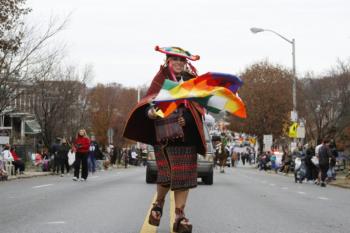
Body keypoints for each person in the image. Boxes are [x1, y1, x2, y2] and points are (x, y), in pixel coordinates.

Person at [123, 46, 205, 233]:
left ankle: (179, 215)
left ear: (186, 63)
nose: (178, 63)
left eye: (182, 60)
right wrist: (151, 113)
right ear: (168, 61)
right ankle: (159, 203)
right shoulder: (160, 79)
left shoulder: (193, 81)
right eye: (174, 59)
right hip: (164, 137)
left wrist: (188, 119)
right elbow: (147, 103)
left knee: (184, 177)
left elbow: (200, 109)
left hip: (186, 137)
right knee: (167, 176)